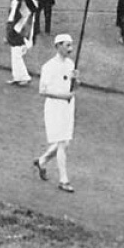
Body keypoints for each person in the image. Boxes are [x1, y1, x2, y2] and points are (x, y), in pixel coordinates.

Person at [34, 34, 79, 193]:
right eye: (67, 45)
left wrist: (76, 81)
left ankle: (42, 161)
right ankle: (63, 180)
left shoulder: (71, 64)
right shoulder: (48, 66)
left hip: (68, 107)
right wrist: (63, 96)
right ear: (58, 46)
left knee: (65, 143)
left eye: (71, 45)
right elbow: (42, 91)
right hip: (54, 108)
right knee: (62, 144)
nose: (70, 49)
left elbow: (73, 88)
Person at [6, 0, 32, 86]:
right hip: (14, 32)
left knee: (17, 56)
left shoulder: (18, 4)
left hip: (17, 34)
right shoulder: (16, 3)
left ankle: (25, 77)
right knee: (15, 56)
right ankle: (17, 77)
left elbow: (18, 20)